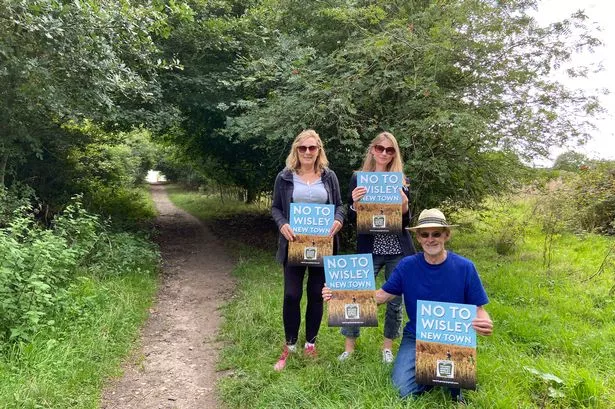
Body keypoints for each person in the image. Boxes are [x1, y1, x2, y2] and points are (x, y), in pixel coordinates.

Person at [323, 208, 493, 403]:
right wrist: (339, 295)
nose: (431, 239)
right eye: (425, 234)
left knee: (450, 382)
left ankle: (446, 380)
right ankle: (432, 373)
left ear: (446, 235)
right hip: (415, 335)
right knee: (404, 390)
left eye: (436, 234)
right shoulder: (407, 265)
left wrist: (484, 321)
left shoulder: (465, 267)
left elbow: (479, 309)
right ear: (418, 238)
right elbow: (381, 296)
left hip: (451, 337)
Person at [272, 129, 345, 371]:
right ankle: (290, 345)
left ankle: (310, 344)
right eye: (302, 148)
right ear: (296, 150)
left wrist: (338, 220)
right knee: (291, 295)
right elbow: (275, 209)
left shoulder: (329, 177)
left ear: (318, 151)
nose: (307, 152)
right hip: (294, 244)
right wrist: (282, 224)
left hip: (323, 245)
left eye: (312, 148)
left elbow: (341, 207)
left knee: (316, 295)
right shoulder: (285, 177)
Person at [340, 132, 416, 364]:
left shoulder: (402, 180)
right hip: (369, 248)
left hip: (397, 249)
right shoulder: (358, 179)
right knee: (355, 295)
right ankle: (349, 348)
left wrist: (404, 206)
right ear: (372, 150)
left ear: (395, 154)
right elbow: (354, 221)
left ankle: (387, 348)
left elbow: (406, 223)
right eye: (380, 148)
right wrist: (354, 204)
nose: (384, 153)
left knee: (394, 301)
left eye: (390, 150)